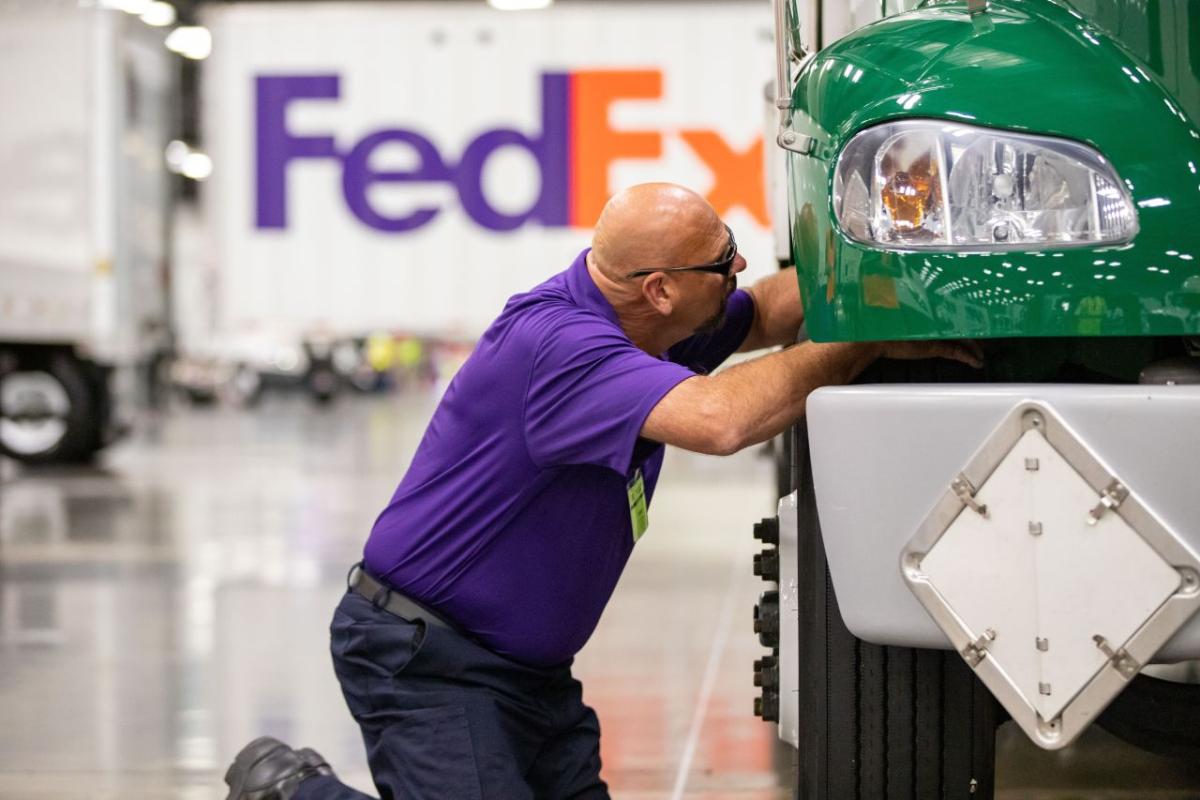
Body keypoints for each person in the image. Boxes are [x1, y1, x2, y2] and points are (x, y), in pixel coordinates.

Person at [222, 183, 982, 800]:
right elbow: (722, 421)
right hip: (429, 660)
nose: (739, 269)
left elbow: (770, 312)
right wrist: (870, 339)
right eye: (723, 265)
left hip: (526, 675)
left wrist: (888, 282)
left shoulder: (648, 321)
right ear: (659, 289)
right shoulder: (561, 349)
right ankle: (293, 794)